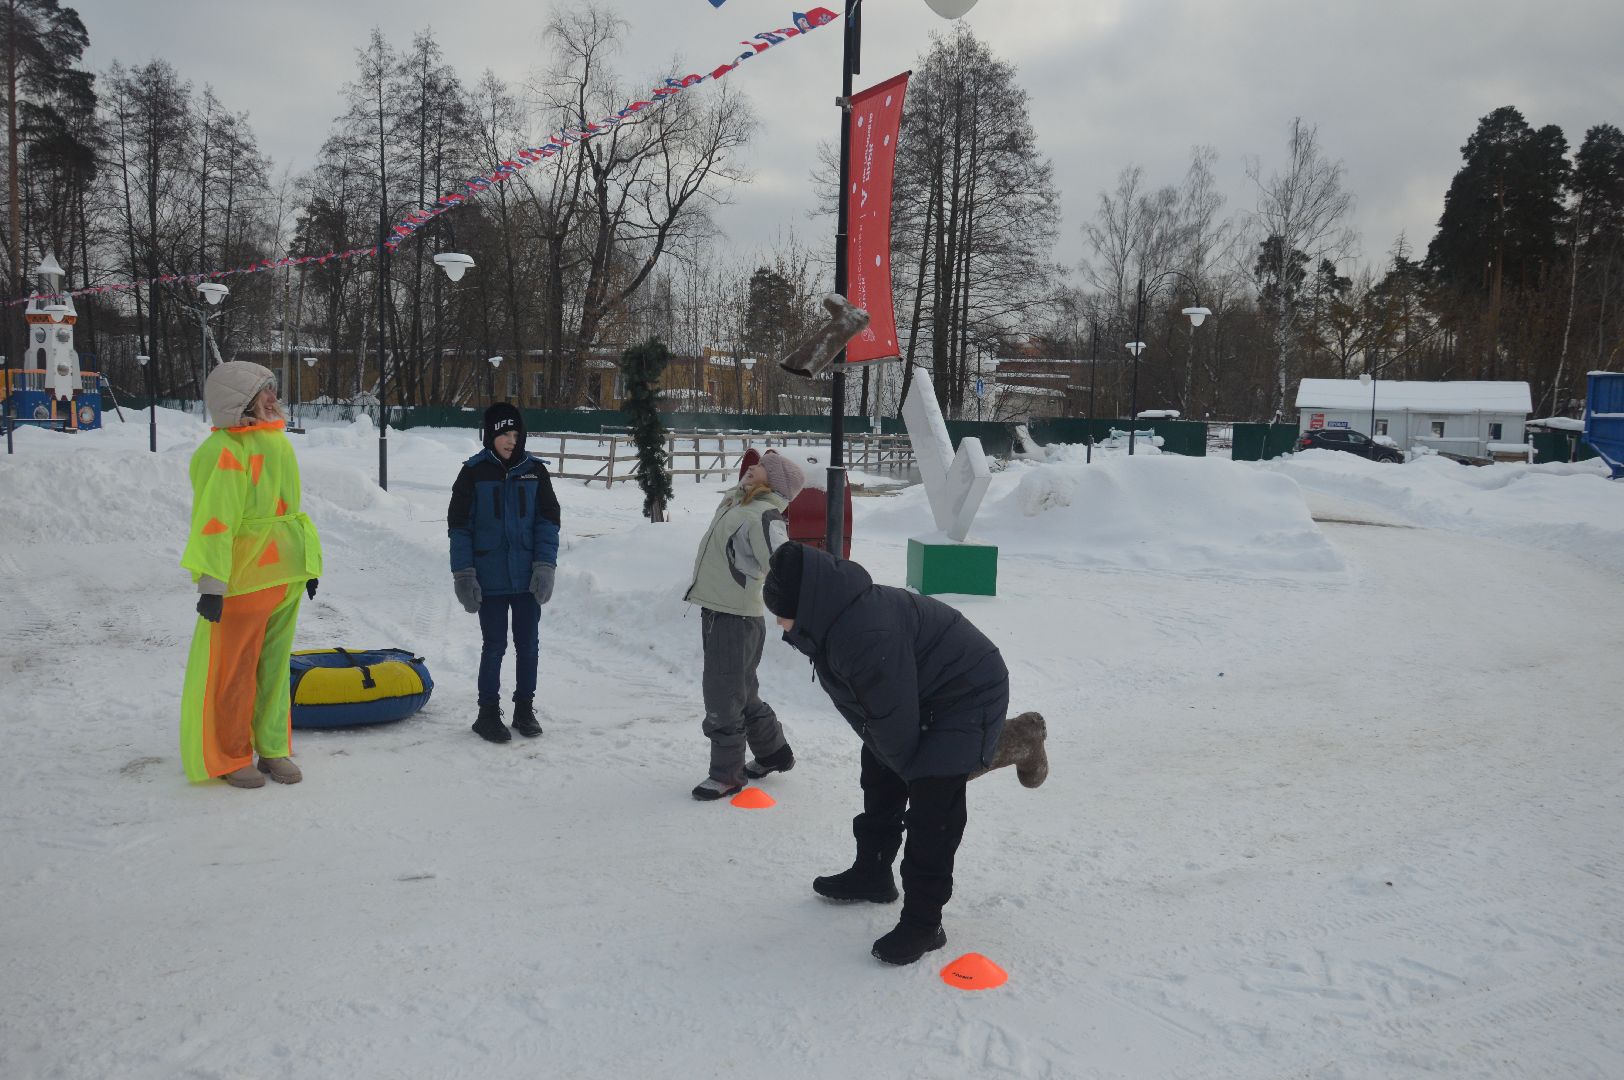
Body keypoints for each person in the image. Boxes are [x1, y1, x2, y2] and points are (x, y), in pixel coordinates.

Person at [762, 541, 1048, 965]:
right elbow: (875, 713)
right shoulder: (833, 621)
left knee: (934, 802)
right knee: (882, 766)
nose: (782, 626)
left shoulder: (862, 633)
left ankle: (924, 922)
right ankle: (873, 873)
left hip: (968, 692)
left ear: (807, 606)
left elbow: (889, 716)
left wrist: (922, 777)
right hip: (926, 687)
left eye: (783, 615)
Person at [180, 362, 322, 788]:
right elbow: (214, 522)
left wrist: (308, 565)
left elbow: (292, 510)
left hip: (285, 576)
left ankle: (273, 746)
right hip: (241, 580)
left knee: (275, 670)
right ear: (240, 402)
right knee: (234, 673)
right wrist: (211, 584)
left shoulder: (276, 442)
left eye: (273, 392)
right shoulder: (223, 451)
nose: (273, 400)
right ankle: (229, 754)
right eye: (266, 393)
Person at [682, 449, 805, 800]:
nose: (753, 466)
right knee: (742, 692)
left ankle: (727, 775)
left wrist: (791, 608)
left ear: (775, 483)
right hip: (720, 609)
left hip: (735, 617)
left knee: (723, 695)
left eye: (764, 467)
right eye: (757, 462)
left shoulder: (764, 516)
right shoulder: (739, 504)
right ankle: (773, 752)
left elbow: (782, 566)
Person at [448, 403, 561, 743]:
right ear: (491, 436)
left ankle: (524, 710)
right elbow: (459, 527)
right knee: (494, 645)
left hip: (526, 578)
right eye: (504, 434)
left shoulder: (535, 471)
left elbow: (548, 522)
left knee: (528, 646)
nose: (511, 440)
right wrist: (464, 574)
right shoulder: (473, 473)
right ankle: (486, 714)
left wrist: (545, 565)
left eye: (516, 434)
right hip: (490, 576)